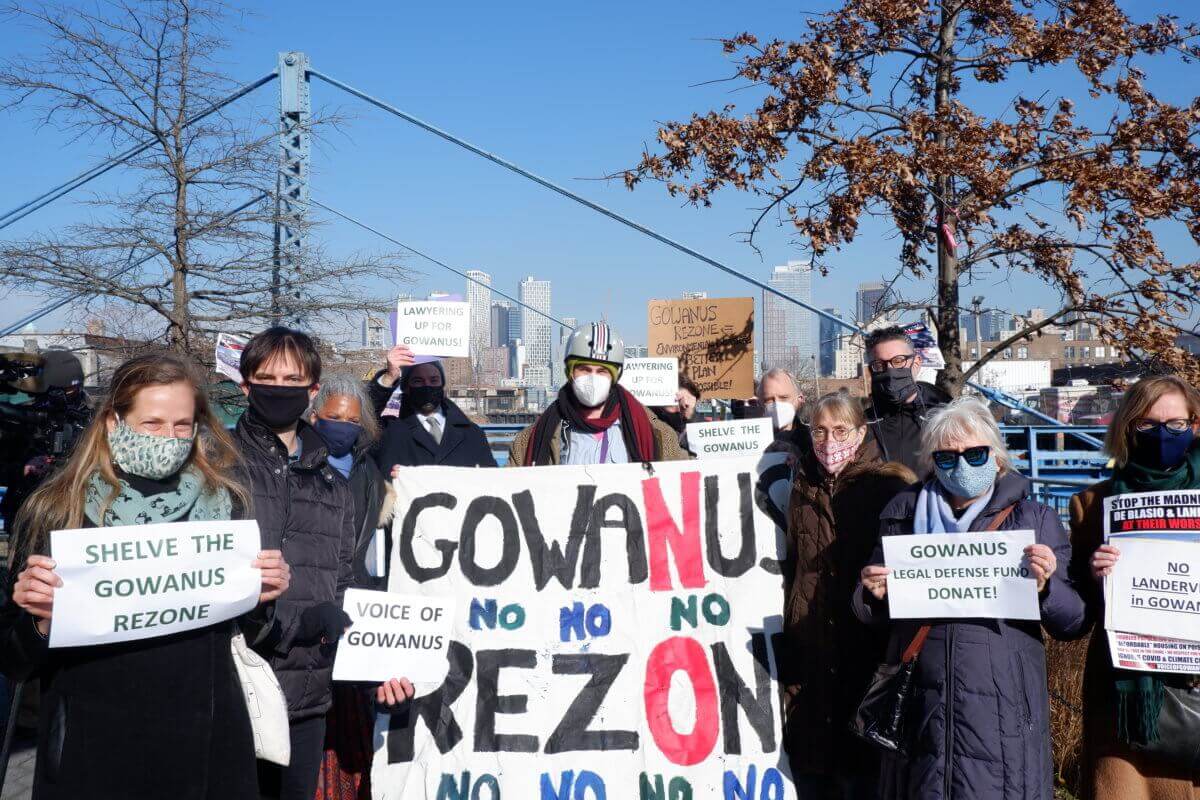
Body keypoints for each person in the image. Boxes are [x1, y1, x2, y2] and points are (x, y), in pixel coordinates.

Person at [0, 353, 290, 800]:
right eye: (152, 423)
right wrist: (37, 619)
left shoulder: (226, 505)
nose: (169, 438)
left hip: (206, 745)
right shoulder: (59, 510)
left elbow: (252, 632)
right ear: (114, 422)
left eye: (181, 425)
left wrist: (263, 595)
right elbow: (15, 659)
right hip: (95, 754)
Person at [855, 397, 1086, 800]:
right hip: (920, 711)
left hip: (1003, 715)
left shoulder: (1032, 519)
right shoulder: (903, 515)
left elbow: (1073, 622)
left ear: (997, 457)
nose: (962, 466)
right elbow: (870, 611)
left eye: (975, 454)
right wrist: (872, 594)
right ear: (931, 462)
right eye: (947, 458)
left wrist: (1046, 588)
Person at [233, 327, 357, 800]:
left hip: (306, 695)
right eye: (267, 377)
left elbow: (342, 578)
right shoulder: (216, 464)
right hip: (232, 689)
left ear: (313, 390)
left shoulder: (334, 485)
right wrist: (285, 624)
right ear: (245, 386)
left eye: (293, 379)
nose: (279, 388)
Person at [1068, 375, 1200, 799]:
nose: (1164, 434)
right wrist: (1092, 572)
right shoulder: (1092, 504)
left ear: (1195, 424)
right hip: (1123, 705)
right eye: (1148, 424)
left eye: (1176, 423)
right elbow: (1076, 615)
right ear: (1126, 428)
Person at [783, 392, 915, 799]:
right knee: (814, 768)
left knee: (863, 774)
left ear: (861, 432)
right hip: (811, 647)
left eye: (840, 430)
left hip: (866, 646)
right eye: (819, 430)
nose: (828, 441)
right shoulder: (800, 484)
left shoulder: (890, 486)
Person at [307, 375, 413, 800]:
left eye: (353, 420)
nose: (343, 426)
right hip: (312, 614)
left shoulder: (368, 471)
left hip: (359, 609)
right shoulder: (300, 467)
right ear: (315, 418)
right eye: (334, 418)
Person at [509, 322, 687, 466]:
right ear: (570, 373)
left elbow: (692, 478)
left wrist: (691, 417)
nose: (593, 378)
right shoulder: (530, 440)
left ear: (615, 376)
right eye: (584, 369)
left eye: (602, 371)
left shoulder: (656, 434)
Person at [374, 359, 497, 473]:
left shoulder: (473, 434)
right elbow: (366, 414)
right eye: (418, 381)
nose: (427, 386)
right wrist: (388, 378)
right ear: (406, 387)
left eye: (434, 380)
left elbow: (491, 480)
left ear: (442, 385)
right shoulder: (390, 433)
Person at [862, 326, 949, 473]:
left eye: (898, 361)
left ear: (916, 362)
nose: (890, 370)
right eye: (880, 364)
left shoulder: (945, 418)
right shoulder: (862, 426)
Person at [758, 367, 812, 457]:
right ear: (759, 403)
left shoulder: (813, 441)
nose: (777, 405)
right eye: (768, 400)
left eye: (784, 398)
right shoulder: (750, 442)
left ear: (800, 399)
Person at [651, 375, 701, 456]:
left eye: (689, 398)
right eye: (676, 401)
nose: (684, 404)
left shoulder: (699, 429)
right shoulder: (649, 426)